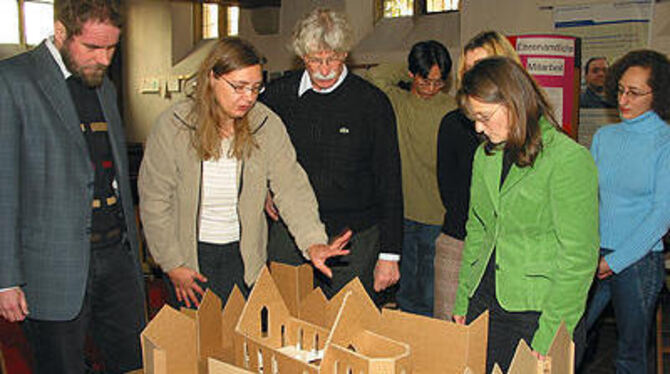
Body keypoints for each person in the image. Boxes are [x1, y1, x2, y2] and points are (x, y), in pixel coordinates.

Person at [139, 38, 351, 310]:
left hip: (243, 256)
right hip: (189, 257)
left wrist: (313, 243)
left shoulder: (265, 124)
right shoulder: (174, 126)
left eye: (255, 88)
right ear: (212, 77)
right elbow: (155, 200)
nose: (249, 97)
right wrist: (172, 264)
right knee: (194, 346)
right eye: (239, 87)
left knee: (240, 344)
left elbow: (291, 187)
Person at [0, 1, 146, 373]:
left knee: (133, 361)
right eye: (93, 48)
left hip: (115, 256)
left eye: (112, 48)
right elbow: (4, 187)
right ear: (61, 33)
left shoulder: (103, 86)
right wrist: (6, 278)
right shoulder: (13, 80)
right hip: (52, 264)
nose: (104, 58)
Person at [451, 57, 599, 372]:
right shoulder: (486, 155)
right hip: (484, 302)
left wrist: (550, 336)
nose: (478, 127)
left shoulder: (568, 160)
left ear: (514, 103)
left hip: (536, 311)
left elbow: (579, 259)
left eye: (484, 116)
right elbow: (477, 230)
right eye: (474, 118)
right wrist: (463, 298)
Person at [261, 8, 402, 303]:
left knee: (347, 330)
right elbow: (255, 151)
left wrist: (390, 254)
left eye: (333, 59)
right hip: (290, 234)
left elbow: (389, 181)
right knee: (285, 323)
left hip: (354, 238)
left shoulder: (371, 103)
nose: (324, 69)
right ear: (302, 57)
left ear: (345, 55)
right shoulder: (277, 97)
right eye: (315, 60)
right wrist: (264, 188)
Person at [584, 49, 670, 373]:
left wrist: (613, 261)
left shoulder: (665, 143)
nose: (623, 99)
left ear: (657, 94)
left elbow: (661, 217)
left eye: (634, 93)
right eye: (620, 89)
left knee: (629, 355)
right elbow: (589, 197)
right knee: (571, 336)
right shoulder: (605, 136)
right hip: (596, 253)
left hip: (638, 260)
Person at [365, 41, 456, 316]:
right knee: (405, 289)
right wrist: (409, 68)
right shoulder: (396, 101)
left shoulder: (452, 109)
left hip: (437, 214)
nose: (431, 89)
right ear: (411, 74)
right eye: (425, 80)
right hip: (401, 214)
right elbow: (375, 77)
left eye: (438, 82)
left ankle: (427, 343)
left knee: (430, 292)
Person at [434, 30, 520, 320]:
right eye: (469, 69)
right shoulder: (454, 124)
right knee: (449, 340)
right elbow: (451, 193)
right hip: (459, 240)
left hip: (511, 251)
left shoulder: (531, 133)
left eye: (484, 65)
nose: (476, 75)